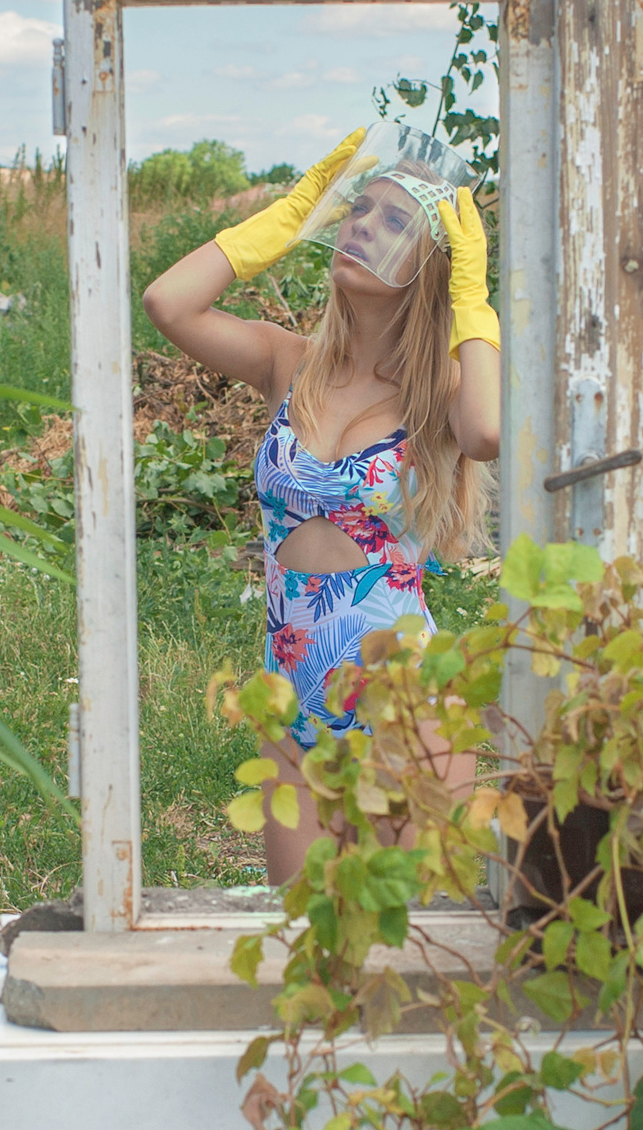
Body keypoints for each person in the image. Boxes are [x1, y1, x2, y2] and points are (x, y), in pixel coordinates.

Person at [143, 124, 501, 885]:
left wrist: (471, 296)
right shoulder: (289, 362)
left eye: (394, 220)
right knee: (301, 932)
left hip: (407, 695)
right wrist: (289, 214)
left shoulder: (436, 391)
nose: (362, 225)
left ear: (431, 264)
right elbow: (167, 303)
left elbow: (486, 432)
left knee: (410, 936)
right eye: (356, 208)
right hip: (293, 685)